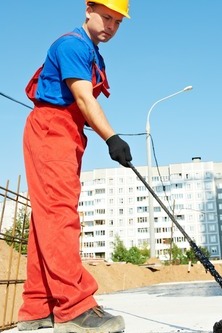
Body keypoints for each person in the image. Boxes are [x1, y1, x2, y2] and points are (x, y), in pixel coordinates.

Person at [17, 1, 132, 332]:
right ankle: (75, 308)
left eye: (118, 22)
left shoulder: (93, 53)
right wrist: (112, 137)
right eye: (106, 17)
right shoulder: (71, 45)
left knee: (46, 220)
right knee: (59, 216)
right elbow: (83, 98)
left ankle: (37, 307)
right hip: (51, 129)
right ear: (88, 9)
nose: (111, 26)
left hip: (66, 133)